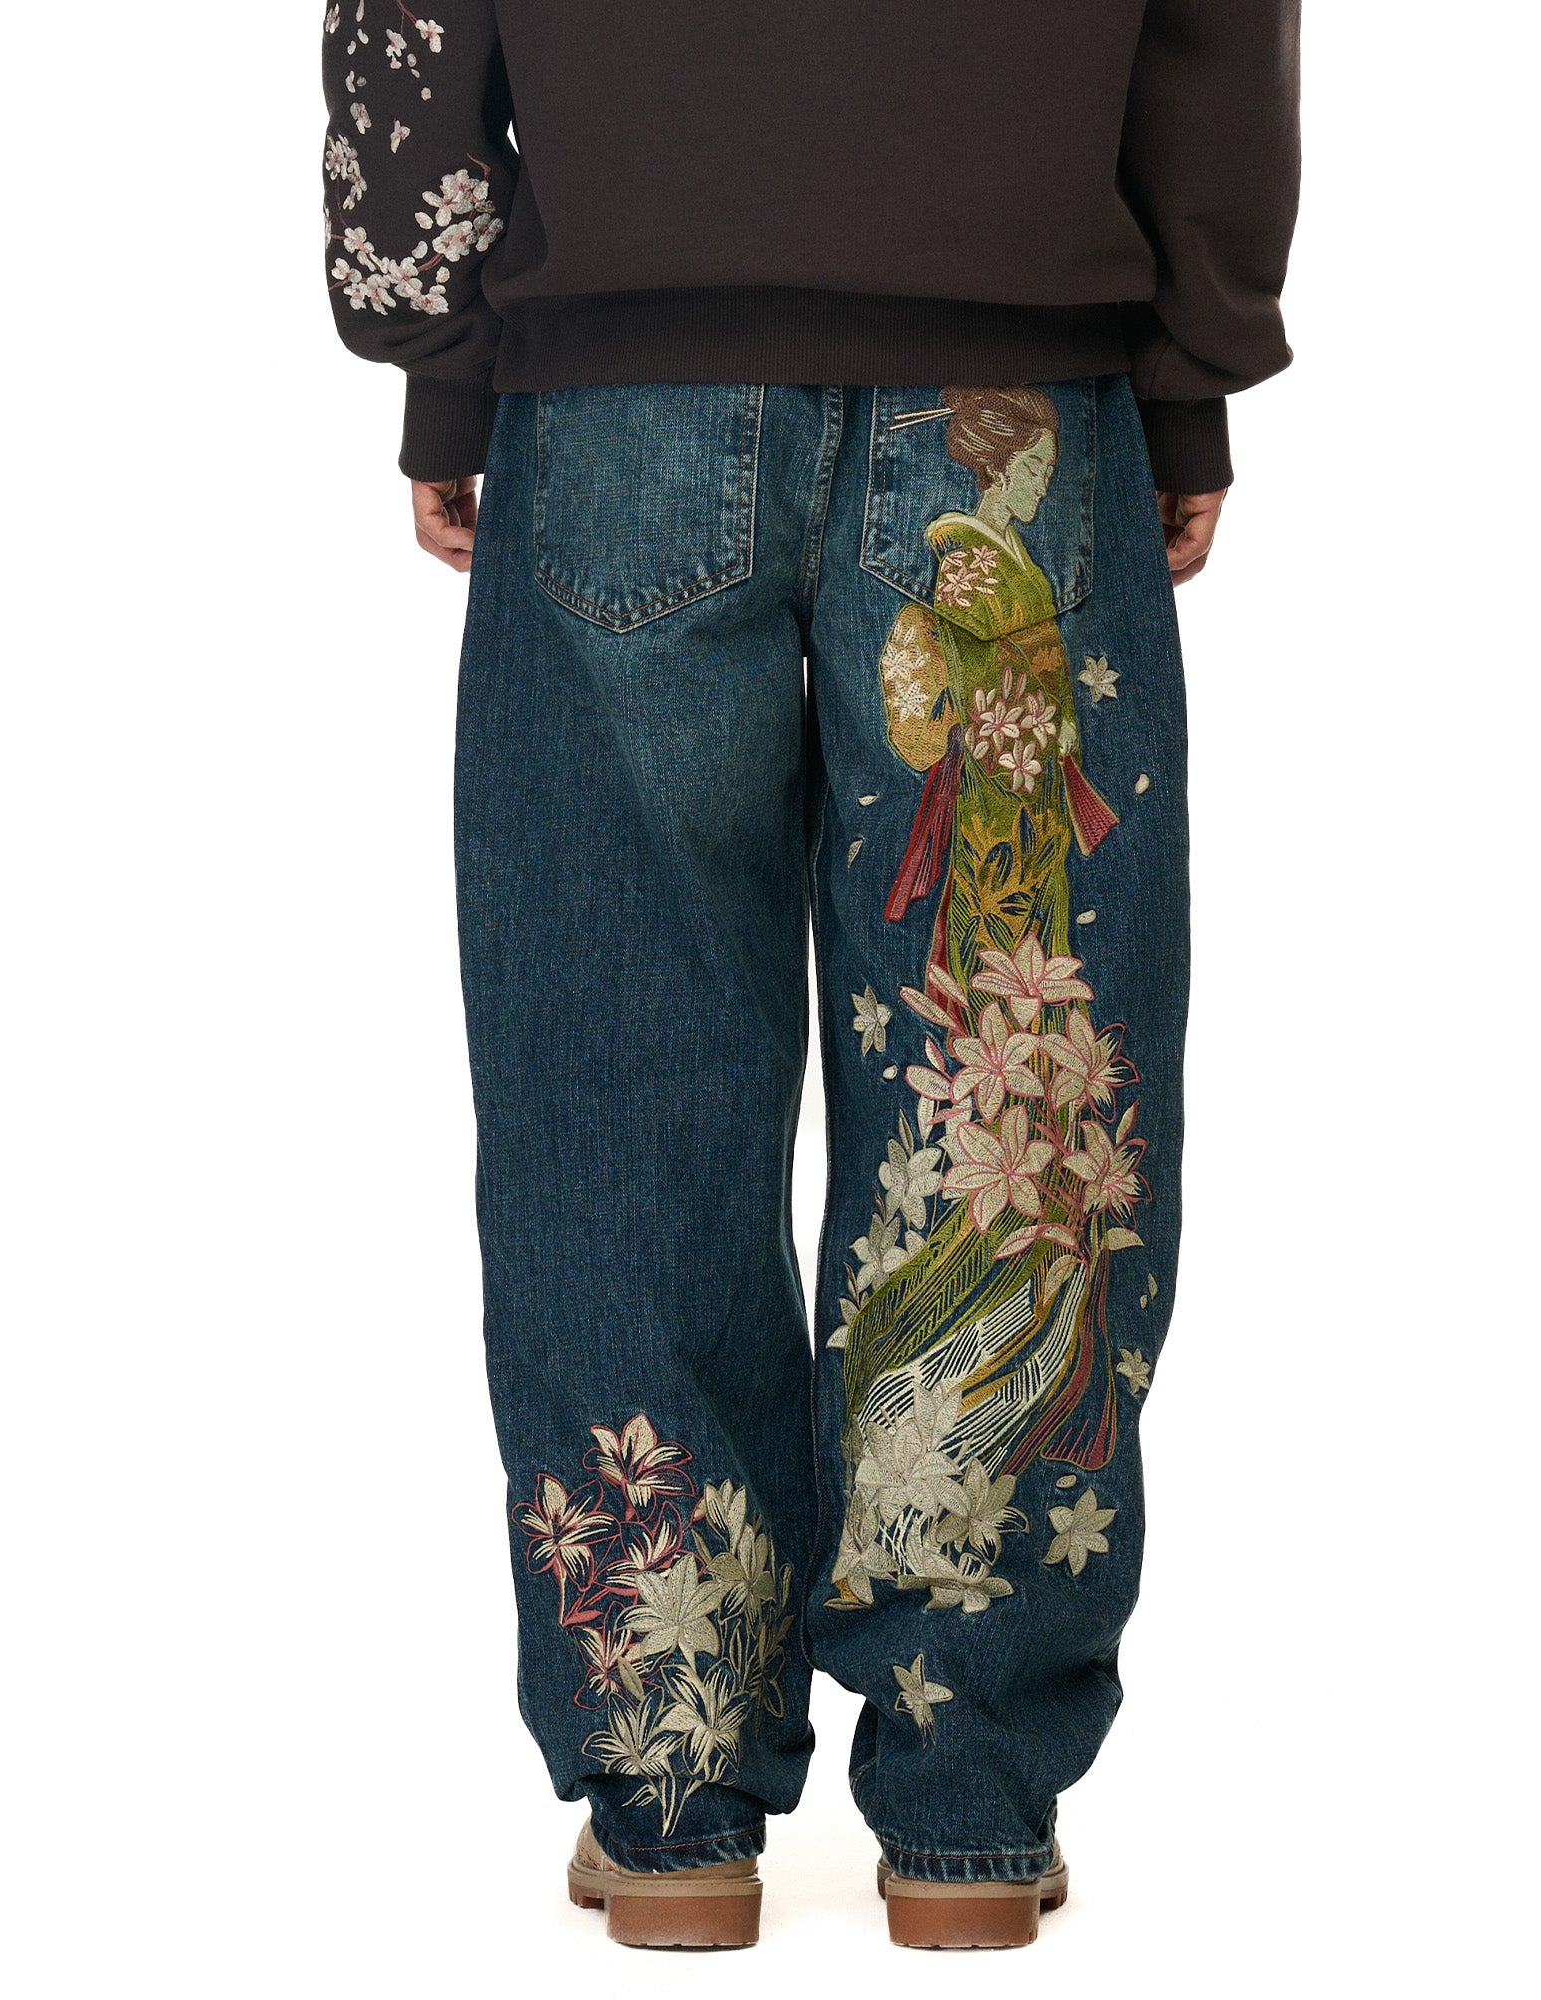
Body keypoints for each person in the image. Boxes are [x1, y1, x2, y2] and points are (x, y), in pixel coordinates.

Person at [321, 1, 1298, 1951]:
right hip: (1014, 395)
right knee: (1007, 1085)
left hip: (617, 389)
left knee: (619, 1083)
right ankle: (967, 1798)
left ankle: (670, 1787)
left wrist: (447, 366)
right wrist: (1188, 372)